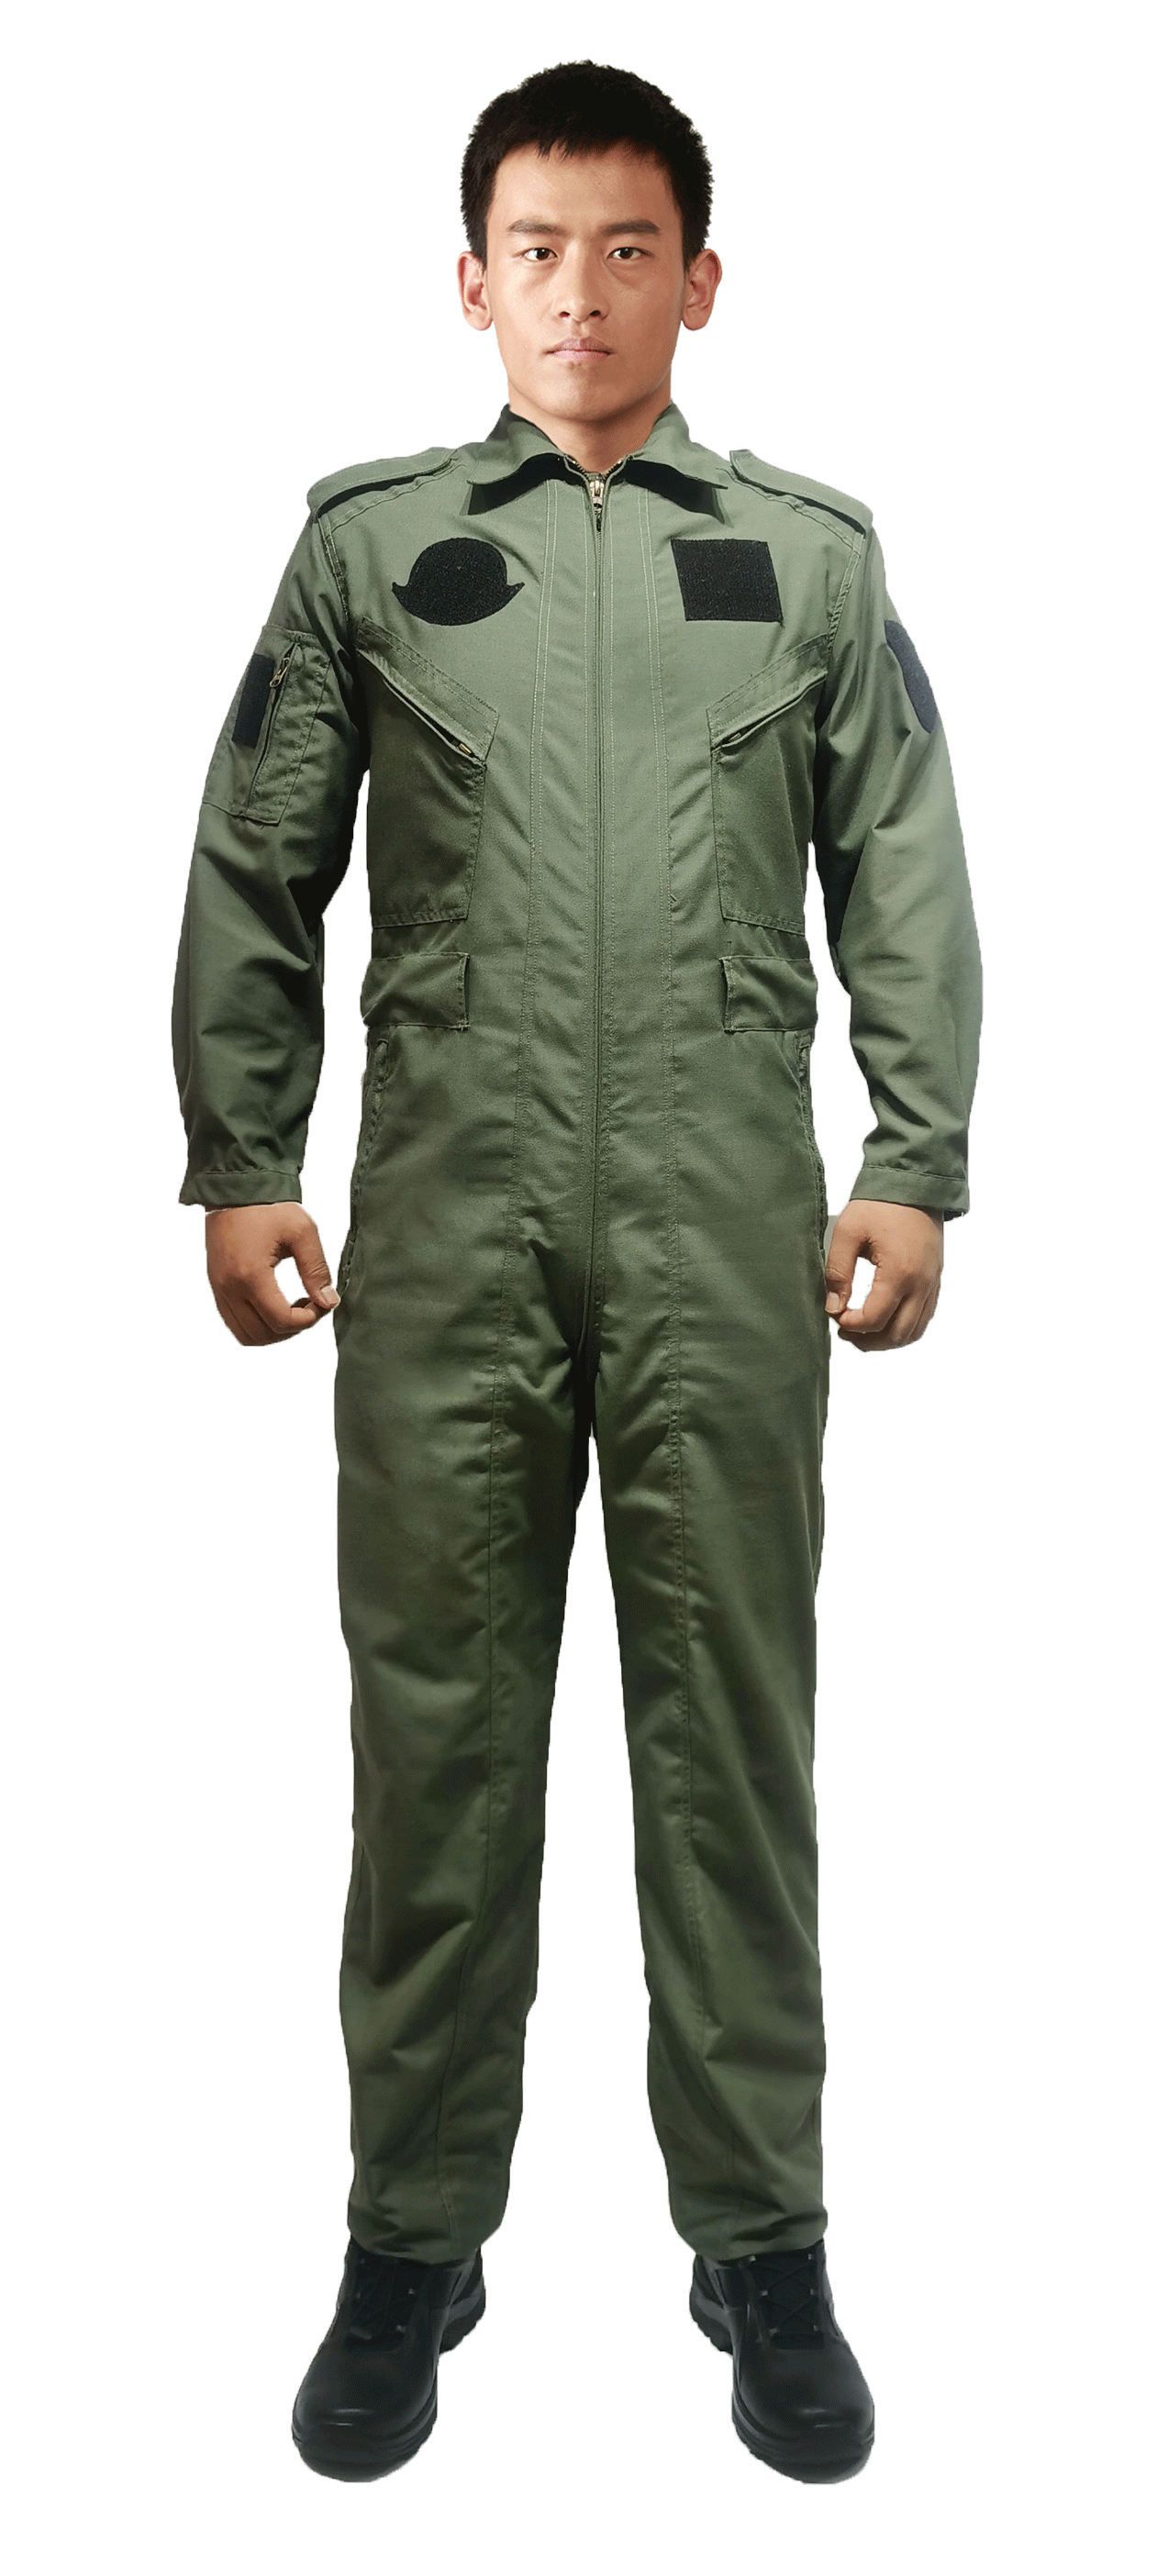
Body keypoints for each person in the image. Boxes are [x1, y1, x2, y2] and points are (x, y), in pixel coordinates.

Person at [172, 59, 981, 2486]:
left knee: (730, 1734)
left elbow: (902, 857)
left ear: (697, 281)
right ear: (470, 282)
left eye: (629, 249)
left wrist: (913, 1155)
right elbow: (258, 852)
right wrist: (241, 1150)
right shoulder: (371, 551)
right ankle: (407, 2241)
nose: (581, 293)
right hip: (448, 1216)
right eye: (537, 249)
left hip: (726, 1216)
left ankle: (766, 2244)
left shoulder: (808, 563)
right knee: (435, 1733)